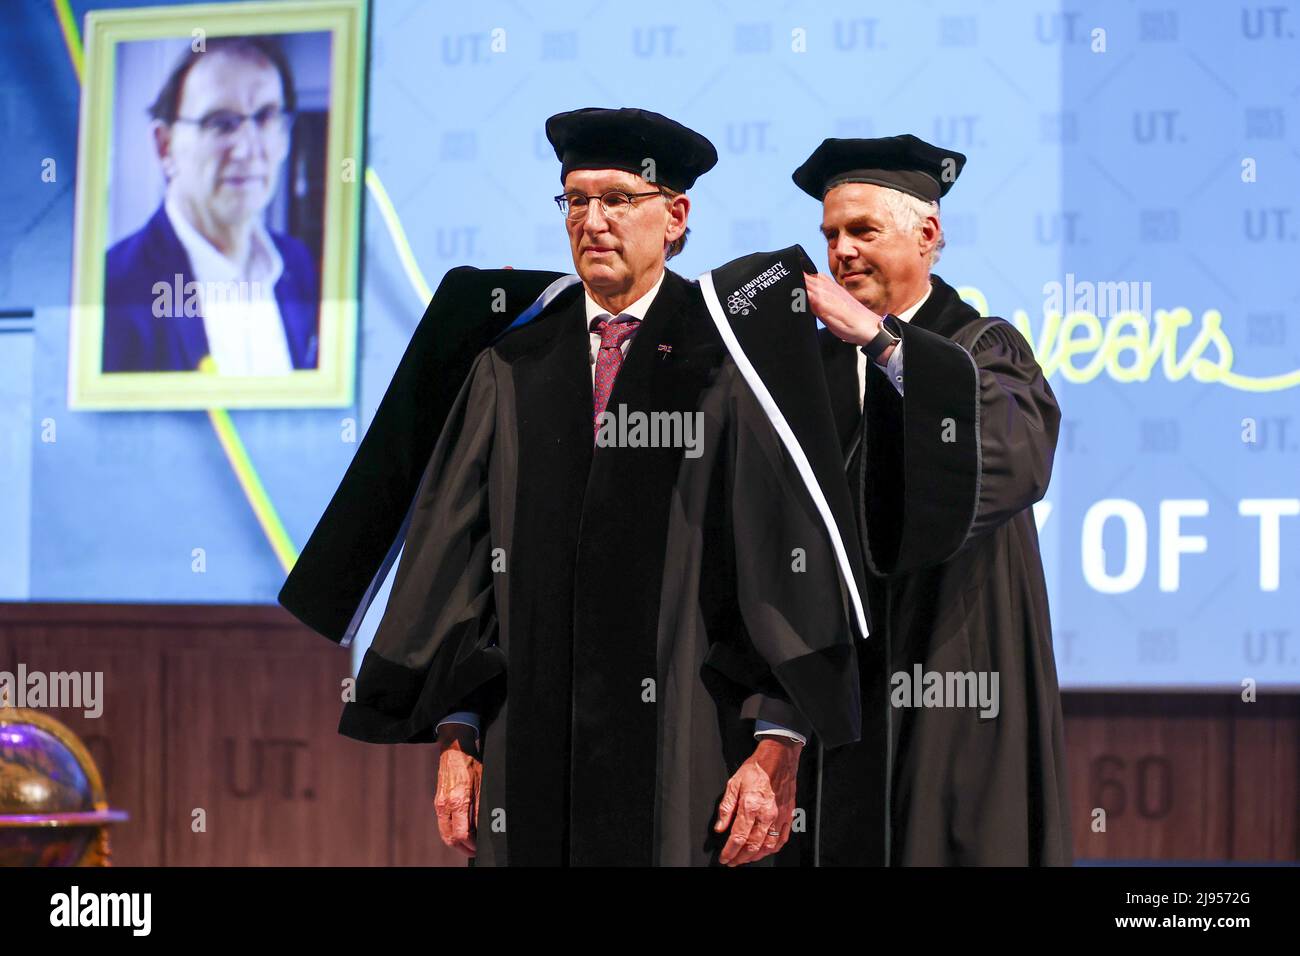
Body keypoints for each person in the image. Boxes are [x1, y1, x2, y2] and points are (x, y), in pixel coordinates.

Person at [279, 108, 869, 866]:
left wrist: (778, 743)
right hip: (529, 750)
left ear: (676, 216)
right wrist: (458, 729)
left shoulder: (728, 359)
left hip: (689, 745)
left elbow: (784, 561)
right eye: (576, 199)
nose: (593, 220)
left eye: (619, 199)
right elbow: (458, 557)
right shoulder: (514, 362)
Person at [791, 134, 1073, 865]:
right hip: (839, 689)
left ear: (929, 234)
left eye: (863, 231)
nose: (842, 251)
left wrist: (889, 350)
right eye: (831, 235)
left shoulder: (980, 348)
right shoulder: (811, 364)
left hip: (953, 668)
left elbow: (1016, 459)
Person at [102, 36, 319, 374]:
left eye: (265, 118)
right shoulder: (112, 288)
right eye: (220, 123)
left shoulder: (298, 265)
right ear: (165, 147)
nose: (247, 149)